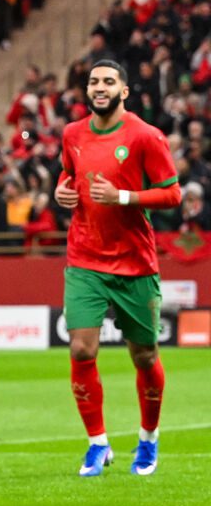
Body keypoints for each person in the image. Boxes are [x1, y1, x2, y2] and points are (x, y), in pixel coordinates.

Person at [54, 60, 180, 477]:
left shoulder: (145, 136)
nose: (100, 87)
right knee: (81, 349)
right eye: (94, 81)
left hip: (134, 262)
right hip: (84, 259)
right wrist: (61, 190)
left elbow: (172, 194)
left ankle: (148, 438)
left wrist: (123, 197)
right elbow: (68, 174)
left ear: (123, 91)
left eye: (109, 81)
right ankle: (97, 444)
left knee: (144, 355)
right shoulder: (72, 134)